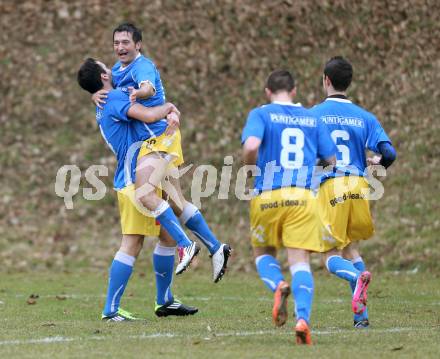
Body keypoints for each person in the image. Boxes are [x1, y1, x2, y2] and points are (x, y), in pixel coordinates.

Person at [93, 22, 231, 282]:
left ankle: (185, 245)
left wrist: (142, 93)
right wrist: (95, 94)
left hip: (160, 138)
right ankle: (216, 248)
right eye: (116, 43)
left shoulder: (142, 66)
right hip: (151, 142)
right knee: (176, 202)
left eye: (125, 42)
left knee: (145, 192)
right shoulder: (113, 71)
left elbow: (149, 87)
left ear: (138, 44)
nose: (120, 47)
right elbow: (105, 87)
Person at [77, 58, 199, 321]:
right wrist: (170, 106)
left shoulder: (106, 98)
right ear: (103, 75)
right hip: (134, 176)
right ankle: (110, 309)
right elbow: (149, 115)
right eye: (104, 66)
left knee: (164, 234)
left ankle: (165, 301)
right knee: (132, 243)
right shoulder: (115, 98)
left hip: (138, 170)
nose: (110, 66)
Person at [241, 70, 337, 345]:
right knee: (300, 262)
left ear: (268, 91)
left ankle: (277, 285)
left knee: (262, 255)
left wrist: (250, 169)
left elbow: (251, 146)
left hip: (267, 194)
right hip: (302, 197)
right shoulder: (311, 117)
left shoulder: (260, 114)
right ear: (294, 91)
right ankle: (302, 318)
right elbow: (331, 159)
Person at [311, 56, 397, 328]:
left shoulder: (314, 115)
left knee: (331, 256)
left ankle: (355, 278)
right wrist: (377, 162)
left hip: (332, 186)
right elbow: (389, 153)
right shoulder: (365, 117)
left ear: (326, 80)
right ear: (349, 82)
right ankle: (361, 318)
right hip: (359, 187)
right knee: (351, 249)